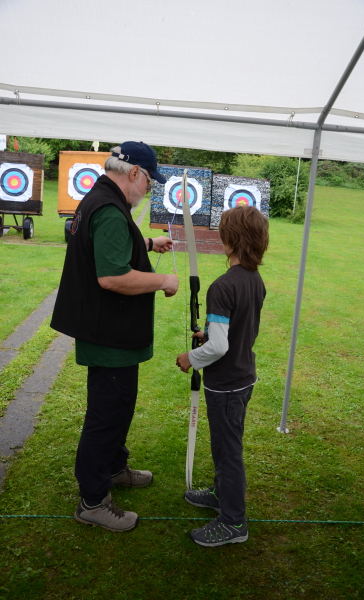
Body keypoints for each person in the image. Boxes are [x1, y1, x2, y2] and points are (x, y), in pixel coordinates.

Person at [51, 141, 179, 532]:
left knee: (118, 407)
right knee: (107, 414)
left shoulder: (102, 200)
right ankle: (93, 500)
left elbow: (108, 247)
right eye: (149, 181)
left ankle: (113, 467)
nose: (149, 189)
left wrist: (148, 243)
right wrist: (163, 280)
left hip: (112, 331)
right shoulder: (108, 209)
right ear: (135, 173)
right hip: (110, 335)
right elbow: (112, 275)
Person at [176, 205, 269, 547]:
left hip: (227, 385)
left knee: (227, 452)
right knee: (227, 448)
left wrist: (191, 357)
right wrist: (211, 335)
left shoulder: (222, 286)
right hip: (243, 379)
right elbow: (232, 331)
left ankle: (233, 522)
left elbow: (218, 348)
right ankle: (220, 493)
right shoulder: (253, 280)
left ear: (229, 240)